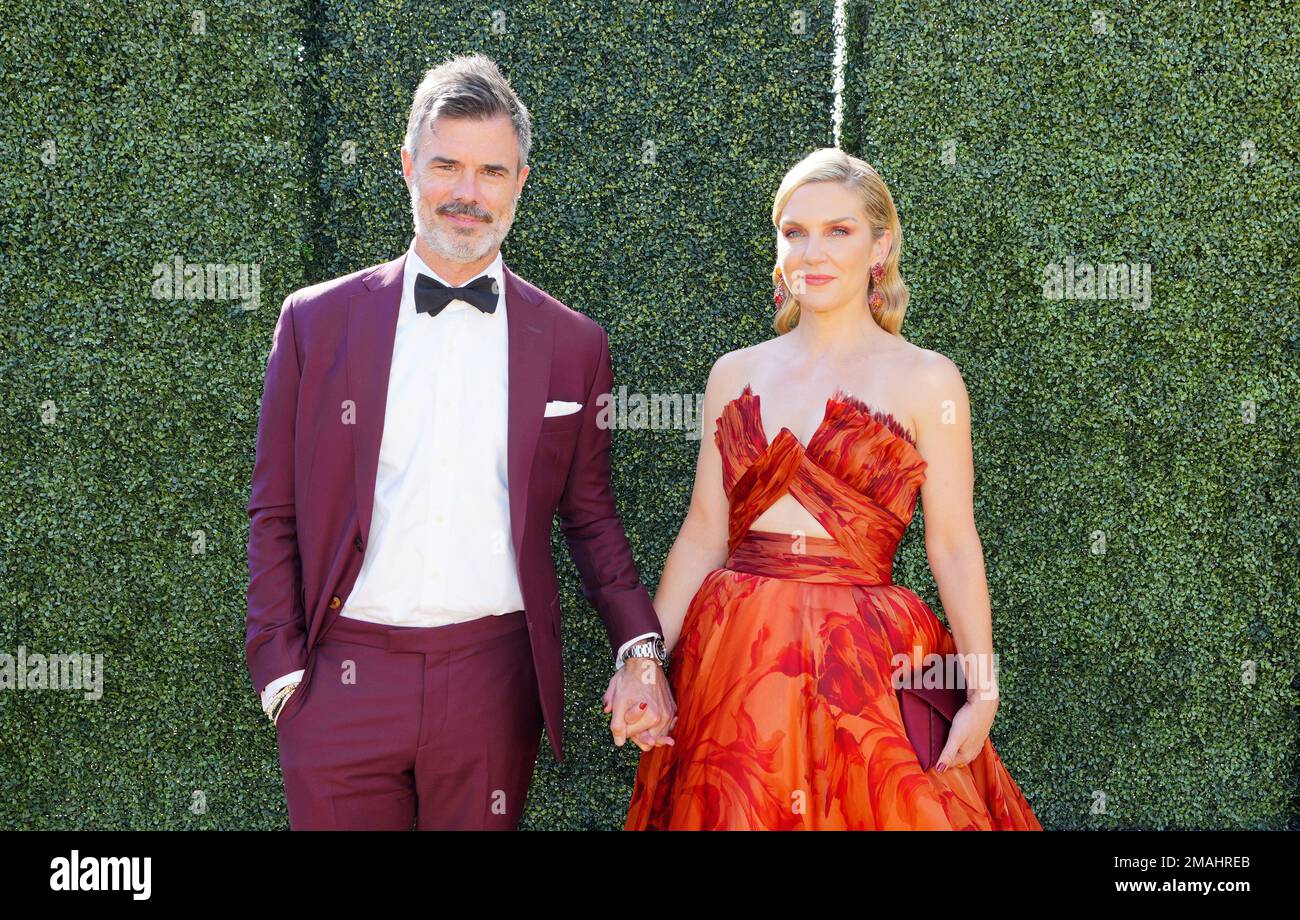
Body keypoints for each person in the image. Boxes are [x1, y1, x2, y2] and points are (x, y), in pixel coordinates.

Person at [246, 53, 675, 830]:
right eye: (446, 165)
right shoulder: (315, 322)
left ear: (521, 182)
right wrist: (281, 672)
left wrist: (639, 646)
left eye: (491, 171)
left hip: (491, 681)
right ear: (409, 166)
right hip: (342, 680)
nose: (467, 194)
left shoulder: (574, 344)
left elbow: (590, 516)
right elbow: (273, 510)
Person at [623, 148, 1043, 830]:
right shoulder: (733, 373)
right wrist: (644, 662)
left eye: (838, 231)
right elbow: (703, 533)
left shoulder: (927, 380)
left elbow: (954, 546)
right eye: (794, 232)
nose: (812, 252)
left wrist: (982, 687)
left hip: (865, 665)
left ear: (881, 246)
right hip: (736, 661)